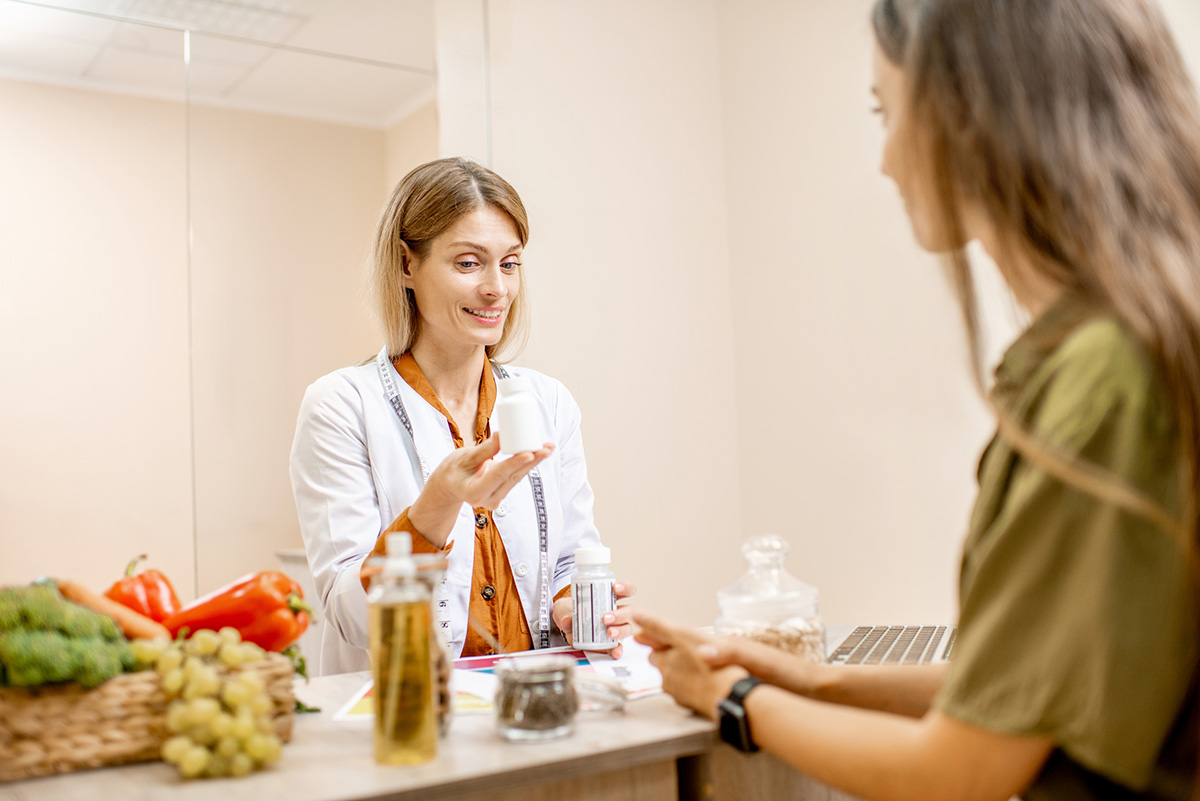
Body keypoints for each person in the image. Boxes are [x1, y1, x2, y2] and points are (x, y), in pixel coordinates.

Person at [635, 0, 1200, 798]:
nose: (886, 161)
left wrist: (732, 698)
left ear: (970, 117)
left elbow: (962, 768)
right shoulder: (1125, 344)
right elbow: (1016, 690)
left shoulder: (1103, 379)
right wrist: (816, 678)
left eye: (886, 113)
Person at [290, 157, 635, 675]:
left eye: (510, 263)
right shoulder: (342, 405)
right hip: (412, 707)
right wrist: (439, 502)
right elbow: (350, 617)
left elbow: (569, 559)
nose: (497, 288)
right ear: (406, 264)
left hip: (529, 698)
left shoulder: (549, 401)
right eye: (470, 263)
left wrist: (572, 607)